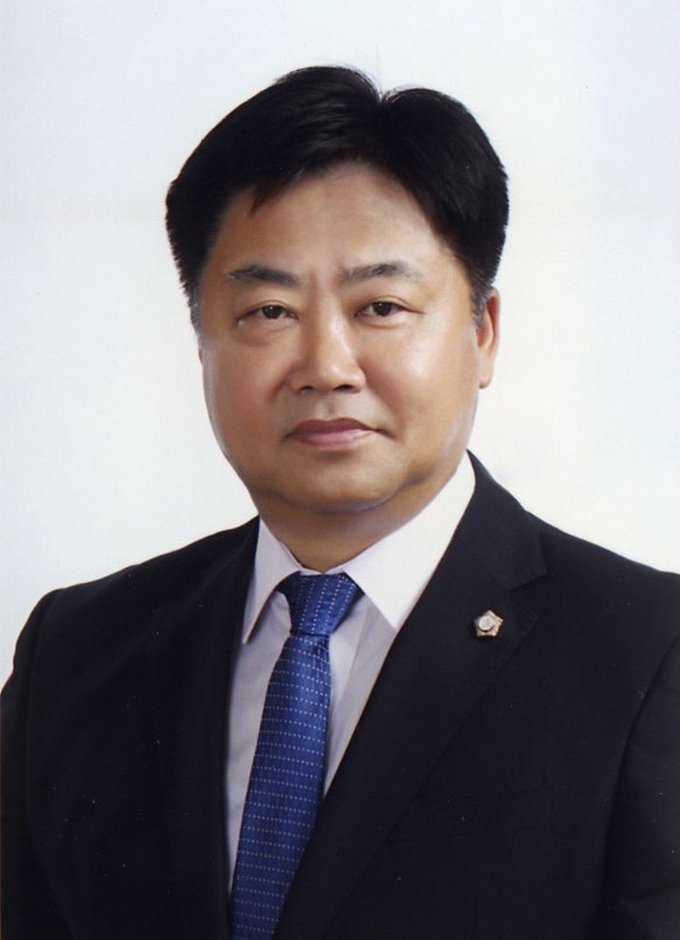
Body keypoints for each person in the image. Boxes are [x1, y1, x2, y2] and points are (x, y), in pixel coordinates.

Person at [2, 66, 679, 940]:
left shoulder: (648, 656)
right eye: (268, 311)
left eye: (381, 306)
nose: (325, 365)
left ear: (483, 333)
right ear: (202, 340)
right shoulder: (79, 654)